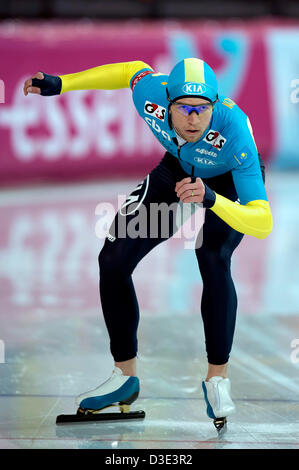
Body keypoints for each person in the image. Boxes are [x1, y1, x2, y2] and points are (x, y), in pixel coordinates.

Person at [24, 58, 273, 430]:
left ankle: (217, 380)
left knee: (212, 255)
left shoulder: (235, 134)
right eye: (184, 109)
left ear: (216, 105)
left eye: (202, 110)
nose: (193, 119)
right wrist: (63, 83)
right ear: (166, 102)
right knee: (113, 260)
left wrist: (211, 199)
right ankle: (124, 378)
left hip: (227, 183)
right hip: (175, 169)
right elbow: (130, 71)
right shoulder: (149, 94)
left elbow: (263, 222)